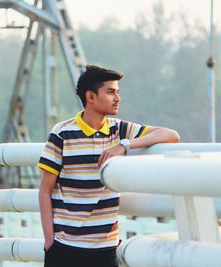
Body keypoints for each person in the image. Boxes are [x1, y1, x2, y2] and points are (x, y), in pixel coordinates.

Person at [38, 65, 180, 267]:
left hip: (104, 251)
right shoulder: (62, 133)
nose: (117, 98)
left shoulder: (119, 129)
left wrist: (124, 145)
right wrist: (49, 242)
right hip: (64, 247)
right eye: (110, 92)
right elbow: (45, 189)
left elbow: (170, 135)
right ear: (91, 97)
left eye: (118, 92)